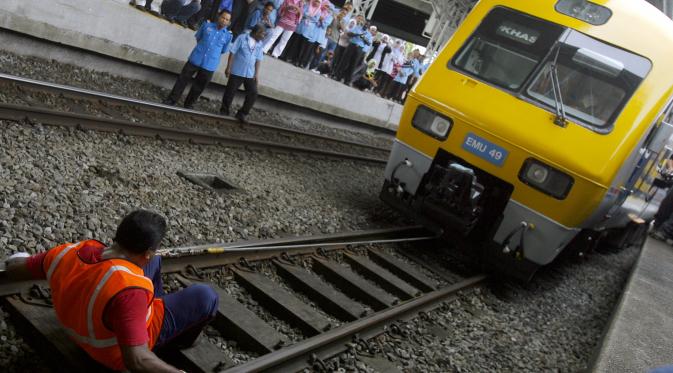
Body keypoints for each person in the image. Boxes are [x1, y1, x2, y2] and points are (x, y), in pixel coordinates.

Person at [3, 210, 219, 372]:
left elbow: (15, 268)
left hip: (78, 325)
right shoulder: (129, 290)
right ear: (146, 253)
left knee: (159, 259)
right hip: (110, 354)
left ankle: (151, 308)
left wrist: (16, 260)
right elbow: (136, 359)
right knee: (205, 296)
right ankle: (181, 341)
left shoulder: (68, 252)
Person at [163, 10, 233, 109]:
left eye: (227, 19)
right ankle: (172, 99)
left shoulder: (228, 36)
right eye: (223, 17)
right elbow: (198, 38)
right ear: (218, 17)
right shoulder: (206, 26)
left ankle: (188, 104)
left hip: (209, 65)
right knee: (182, 80)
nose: (224, 20)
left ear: (229, 22)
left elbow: (223, 50)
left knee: (199, 86)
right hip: (195, 58)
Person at [220, 24, 267, 123]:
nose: (263, 36)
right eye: (262, 34)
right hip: (237, 71)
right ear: (256, 32)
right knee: (230, 92)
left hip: (250, 74)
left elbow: (258, 59)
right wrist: (228, 67)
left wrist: (256, 74)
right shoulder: (242, 38)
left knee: (253, 93)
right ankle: (224, 112)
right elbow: (232, 52)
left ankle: (242, 114)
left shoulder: (259, 44)